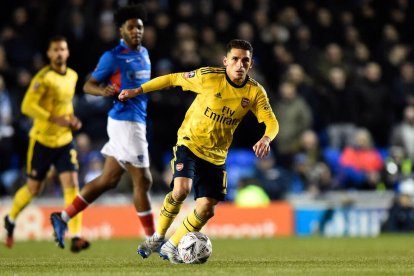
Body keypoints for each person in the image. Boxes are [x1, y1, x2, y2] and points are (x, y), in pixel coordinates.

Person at [119, 39, 279, 263]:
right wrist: (139, 90)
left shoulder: (255, 92)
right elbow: (173, 78)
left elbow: (272, 122)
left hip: (216, 155)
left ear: (250, 65)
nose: (239, 64)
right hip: (190, 142)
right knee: (181, 190)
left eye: (245, 60)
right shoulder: (208, 77)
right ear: (226, 61)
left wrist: (266, 138)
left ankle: (171, 246)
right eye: (235, 59)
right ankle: (157, 237)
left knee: (206, 209)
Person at [49, 4, 156, 250]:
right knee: (144, 180)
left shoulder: (145, 54)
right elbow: (88, 85)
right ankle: (154, 240)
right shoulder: (113, 57)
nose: (136, 31)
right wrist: (103, 90)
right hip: (125, 122)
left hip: (135, 120)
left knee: (108, 180)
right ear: (121, 30)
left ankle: (62, 217)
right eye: (131, 27)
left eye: (139, 27)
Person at [3, 36, 90, 253]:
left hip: (64, 141)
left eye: (63, 49)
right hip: (42, 140)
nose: (60, 53)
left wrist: (71, 120)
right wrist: (54, 118)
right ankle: (11, 218)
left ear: (67, 53)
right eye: (55, 50)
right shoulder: (43, 78)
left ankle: (77, 236)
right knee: (34, 189)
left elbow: (65, 106)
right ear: (49, 54)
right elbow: (27, 106)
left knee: (72, 185)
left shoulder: (73, 76)